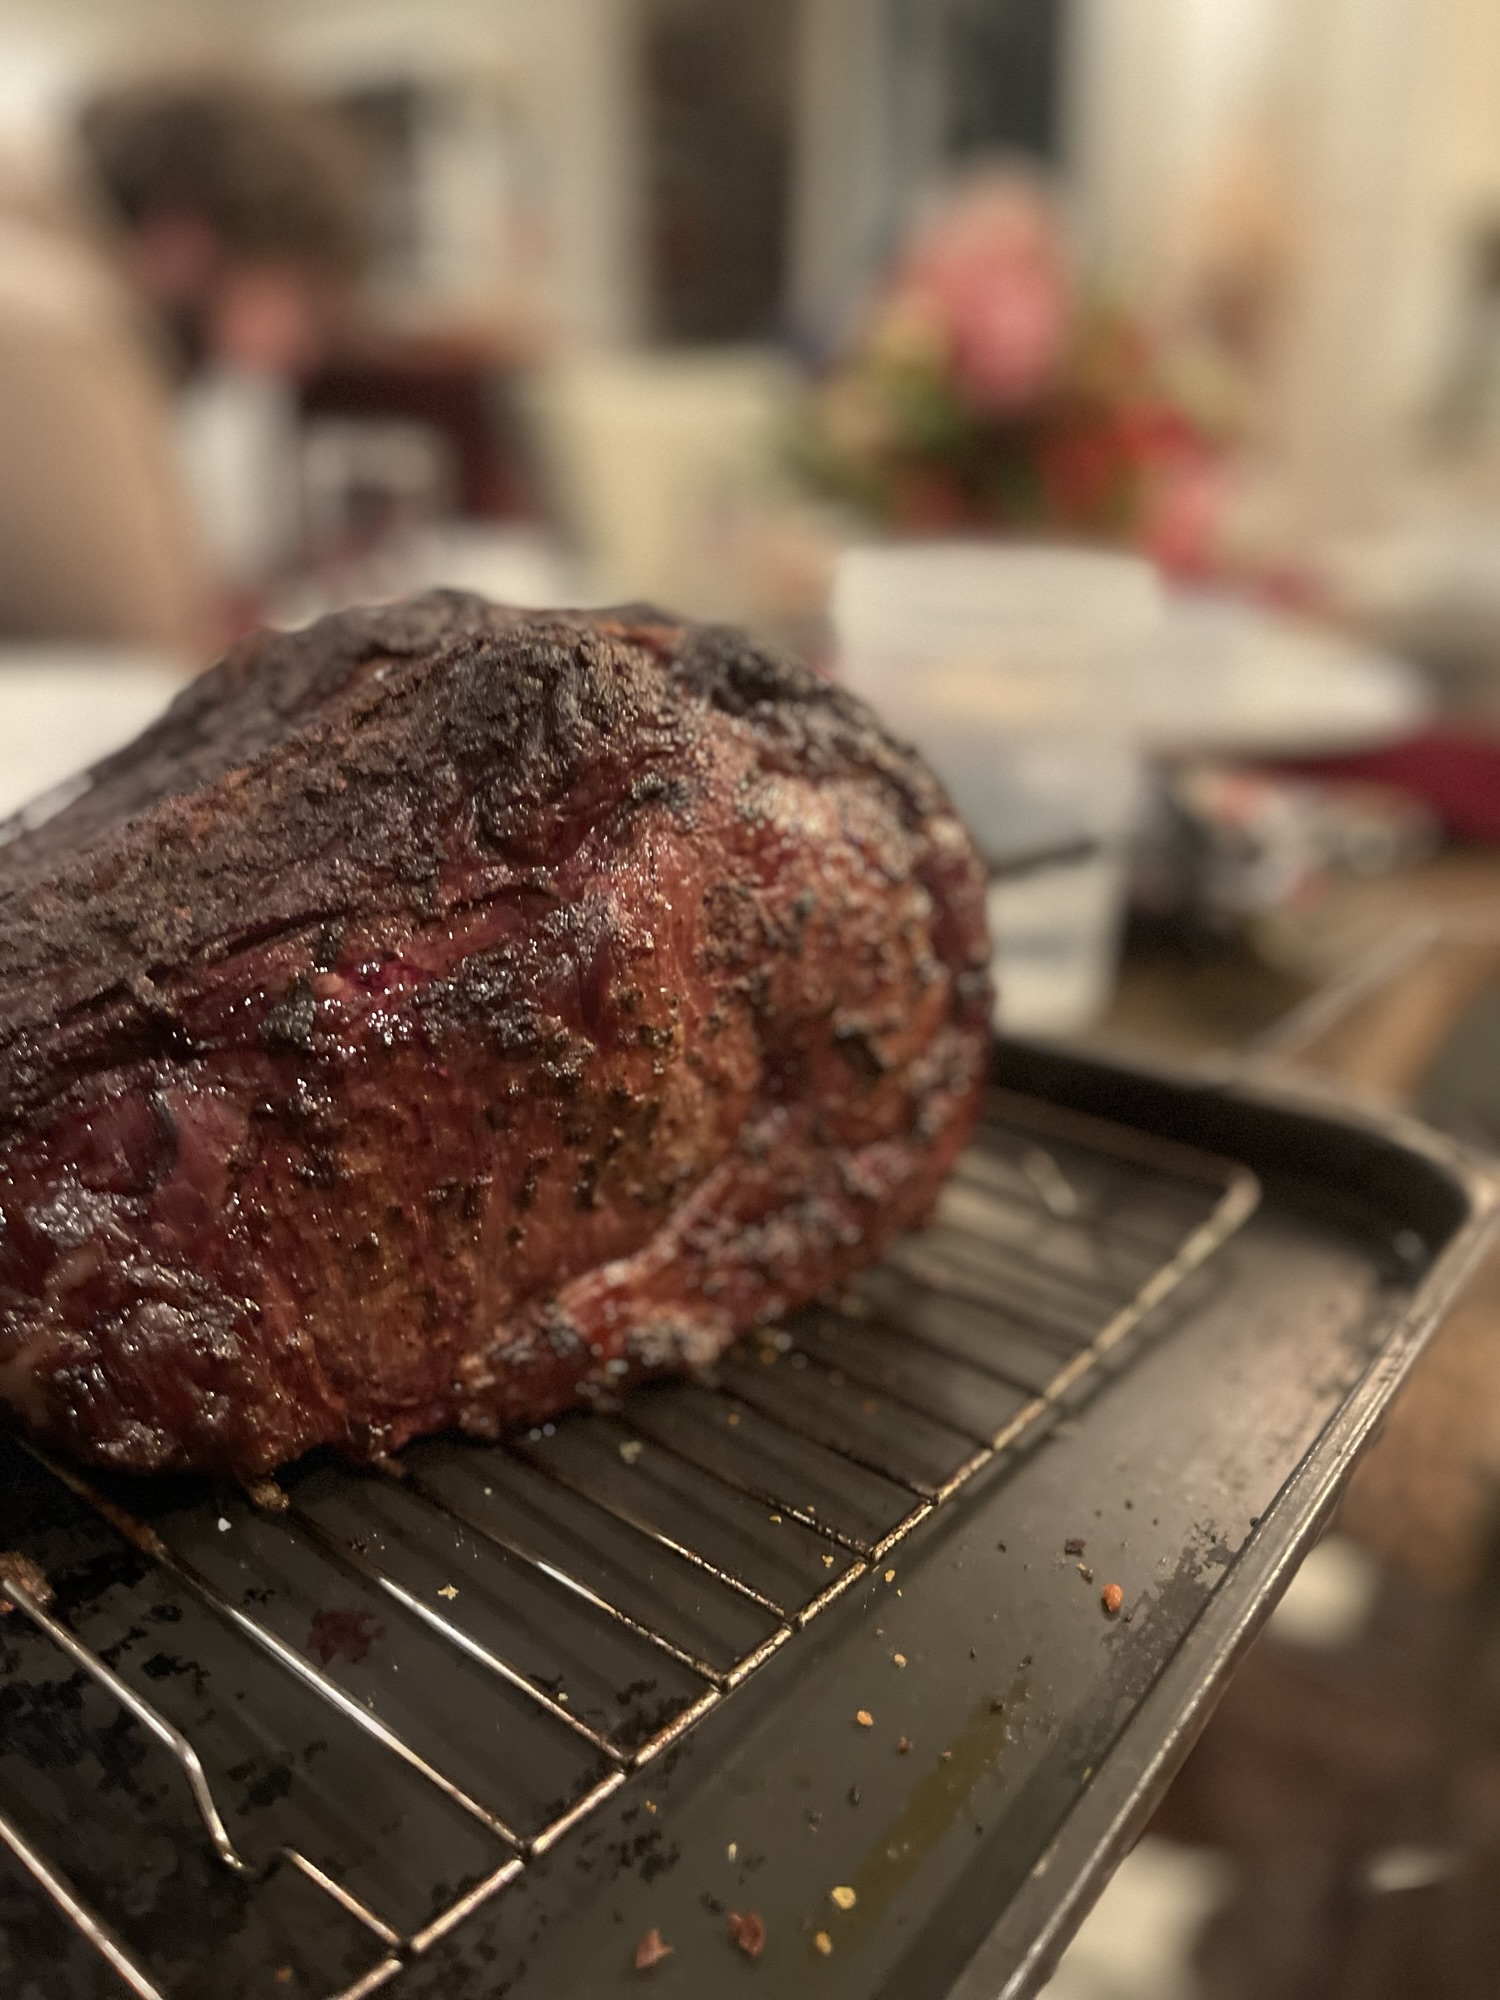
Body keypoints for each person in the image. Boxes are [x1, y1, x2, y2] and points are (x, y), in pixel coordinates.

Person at [0, 73, 365, 653]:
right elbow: (146, 656)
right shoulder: (54, 332)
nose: (300, 353)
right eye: (300, 293)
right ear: (183, 231)